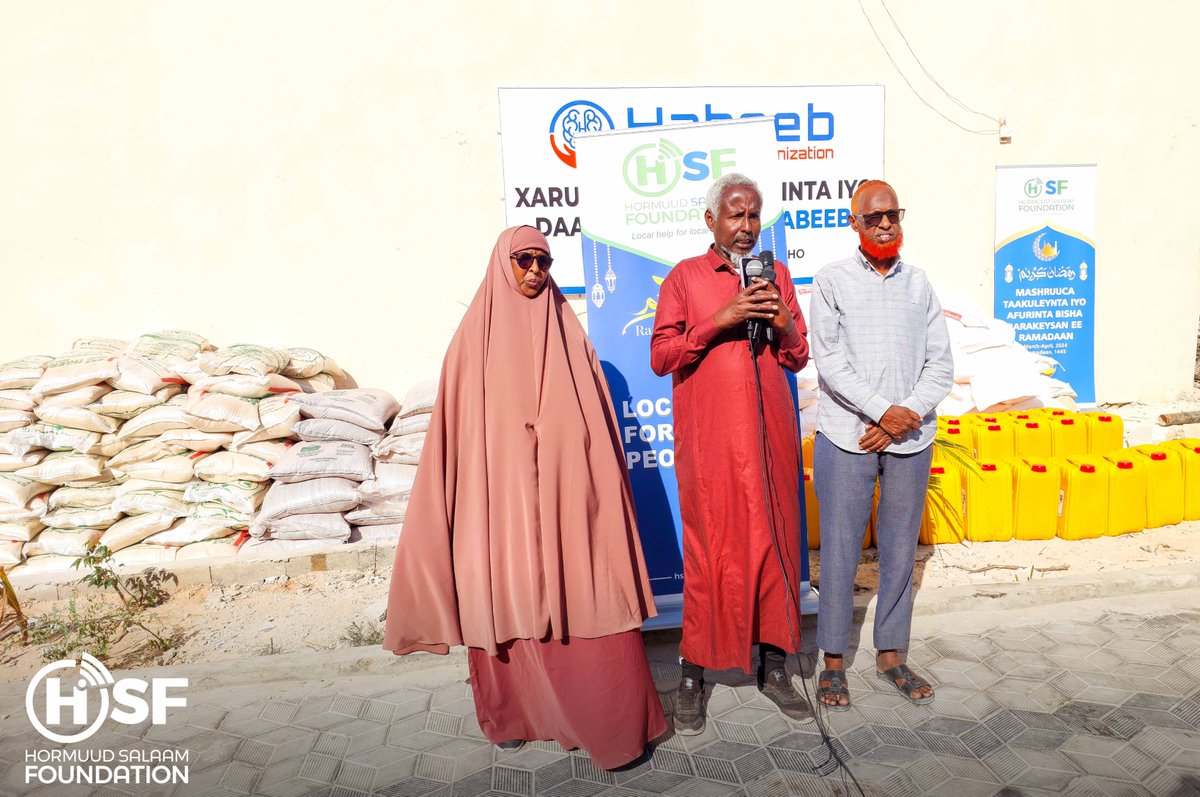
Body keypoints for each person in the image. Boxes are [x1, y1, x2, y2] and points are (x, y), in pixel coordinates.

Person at [383, 226, 666, 768]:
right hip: (499, 508)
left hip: (569, 502)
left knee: (588, 598)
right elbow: (457, 440)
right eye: (523, 260)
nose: (535, 270)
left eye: (543, 260)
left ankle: (611, 726)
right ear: (501, 264)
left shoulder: (569, 335)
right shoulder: (472, 341)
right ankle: (514, 715)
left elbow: (598, 432)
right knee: (505, 598)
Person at [650, 173, 812, 735]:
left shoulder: (778, 278)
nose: (746, 228)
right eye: (735, 215)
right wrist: (720, 320)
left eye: (754, 216)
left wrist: (784, 322)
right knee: (711, 550)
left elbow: (797, 357)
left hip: (769, 444)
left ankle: (773, 667)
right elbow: (662, 355)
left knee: (771, 543)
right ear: (711, 220)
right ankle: (693, 675)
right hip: (712, 444)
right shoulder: (685, 278)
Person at [809, 180, 953, 711]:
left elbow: (941, 363)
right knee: (841, 551)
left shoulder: (920, 285)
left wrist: (903, 417)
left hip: (910, 438)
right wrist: (880, 410)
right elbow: (828, 359)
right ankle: (833, 661)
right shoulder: (831, 281)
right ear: (855, 223)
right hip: (848, 436)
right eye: (874, 218)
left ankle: (892, 653)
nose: (886, 224)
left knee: (899, 549)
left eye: (893, 214)